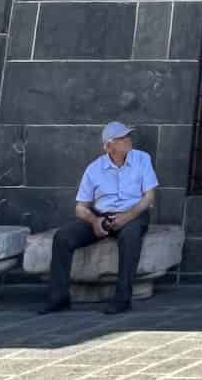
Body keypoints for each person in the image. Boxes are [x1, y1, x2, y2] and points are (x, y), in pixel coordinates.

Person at [38, 120, 157, 317]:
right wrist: (95, 222)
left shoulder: (142, 159)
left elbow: (149, 198)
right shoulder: (94, 169)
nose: (128, 140)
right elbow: (80, 207)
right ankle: (58, 299)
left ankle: (122, 299)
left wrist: (126, 217)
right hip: (102, 216)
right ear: (109, 146)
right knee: (62, 237)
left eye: (128, 136)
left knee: (130, 237)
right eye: (122, 138)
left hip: (134, 214)